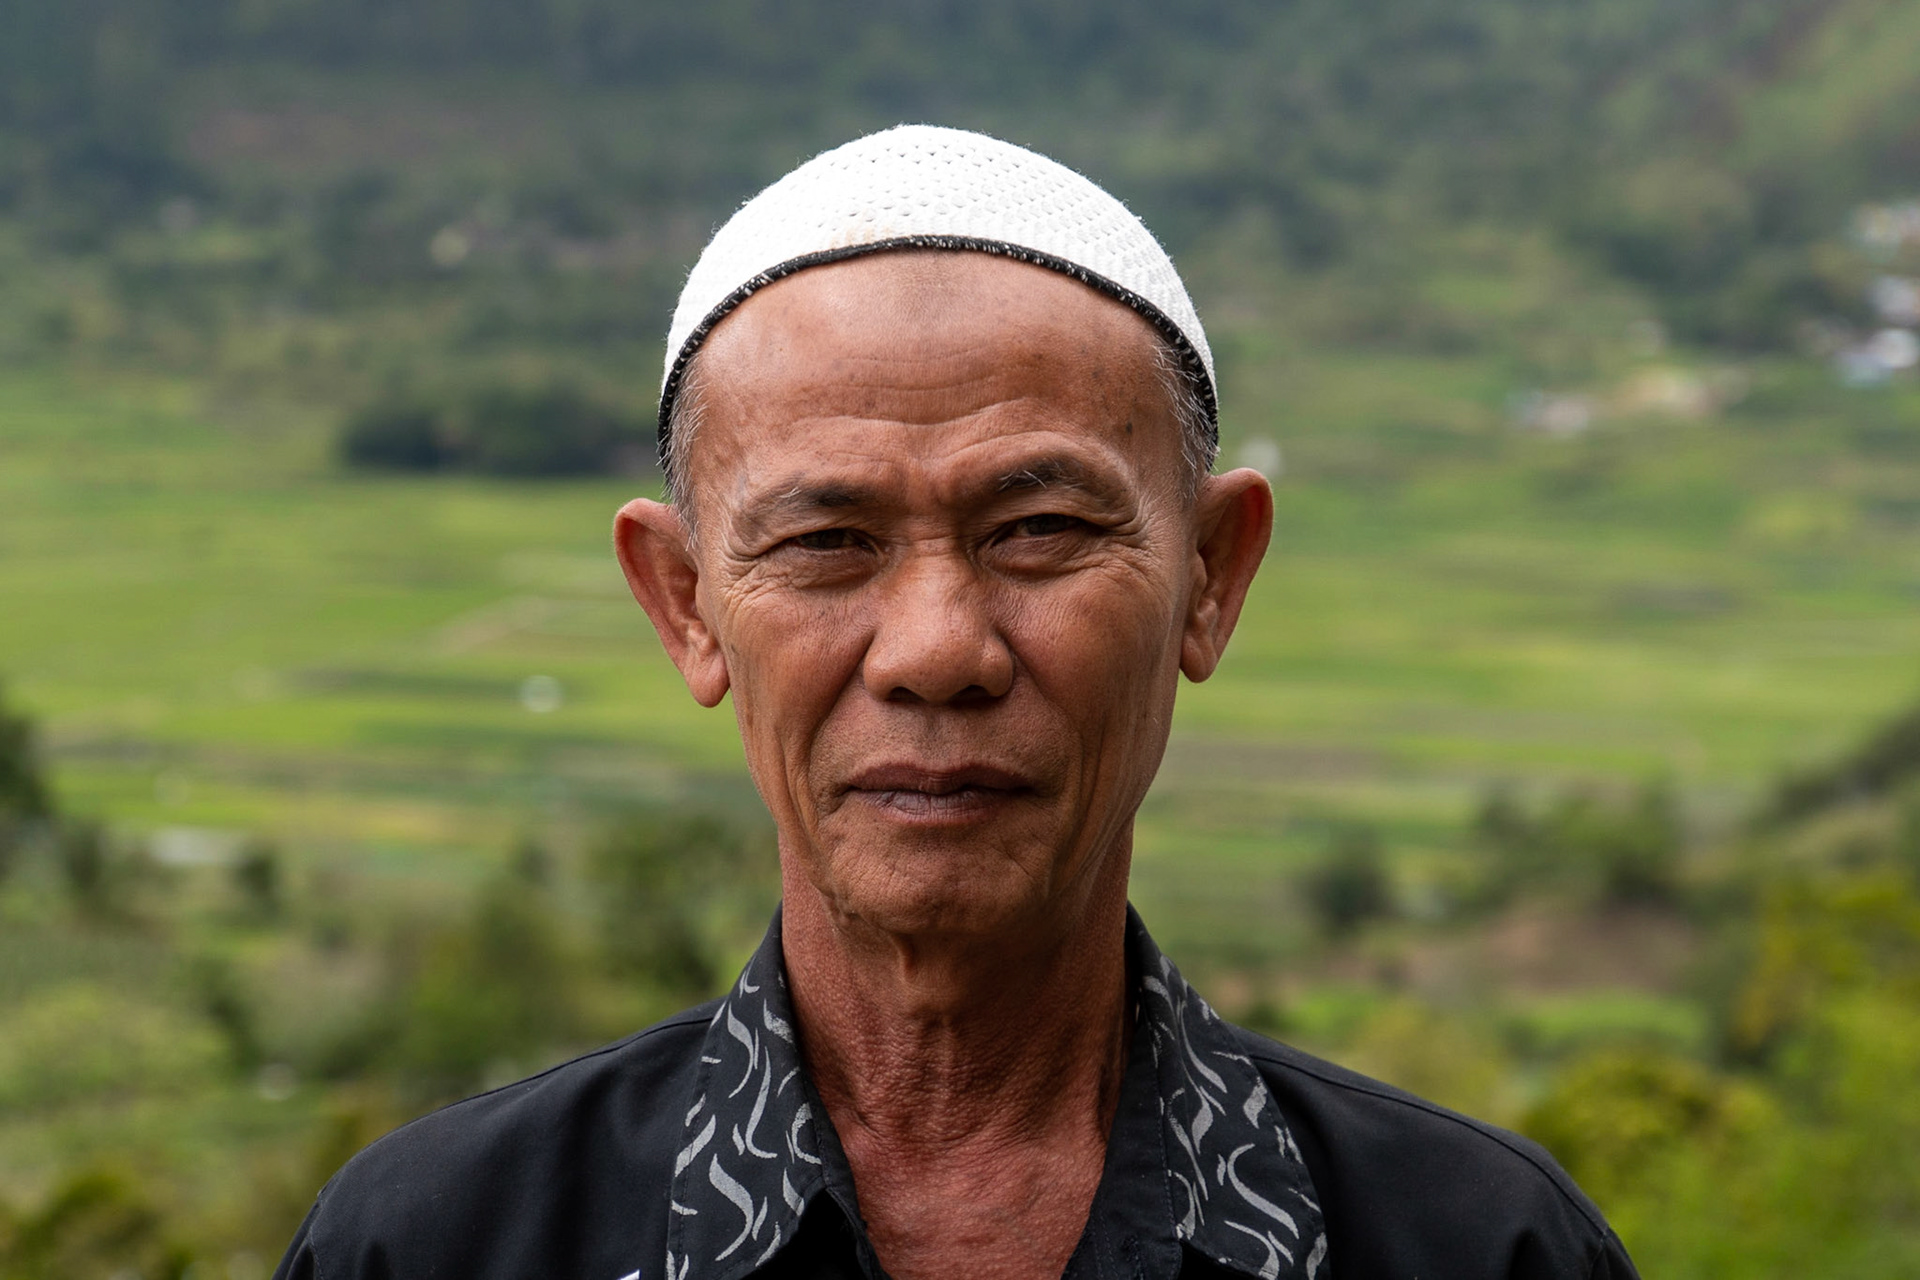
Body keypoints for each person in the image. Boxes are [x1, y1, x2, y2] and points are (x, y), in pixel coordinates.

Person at [273, 126, 1637, 1280]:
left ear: (1211, 576)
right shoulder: (437, 1246)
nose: (936, 649)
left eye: (1039, 530)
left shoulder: (1480, 1247)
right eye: (826, 542)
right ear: (686, 604)